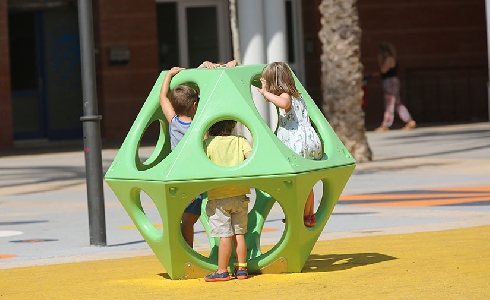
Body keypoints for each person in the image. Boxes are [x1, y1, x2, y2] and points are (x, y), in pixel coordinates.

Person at [257, 62, 323, 227]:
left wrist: (265, 92)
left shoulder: (286, 95)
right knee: (307, 181)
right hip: (309, 141)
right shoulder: (298, 94)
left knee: (296, 182)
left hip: (297, 143)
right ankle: (308, 215)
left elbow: (284, 104)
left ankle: (300, 213)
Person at [203, 120, 252, 282]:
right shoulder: (240, 141)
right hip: (240, 194)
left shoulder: (208, 144)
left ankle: (222, 271)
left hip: (218, 197)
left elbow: (200, 161)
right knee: (239, 233)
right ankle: (242, 269)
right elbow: (250, 158)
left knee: (224, 235)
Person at [159, 66, 202, 248]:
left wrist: (169, 74)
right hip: (198, 176)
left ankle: (188, 252)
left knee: (187, 222)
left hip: (181, 177)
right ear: (194, 106)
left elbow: (162, 97)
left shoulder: (173, 122)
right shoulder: (199, 124)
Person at [374, 42, 416, 132]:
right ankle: (409, 120)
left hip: (390, 82)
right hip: (391, 81)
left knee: (389, 103)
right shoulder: (391, 58)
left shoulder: (389, 59)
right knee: (397, 103)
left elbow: (383, 70)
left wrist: (380, 60)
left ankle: (386, 124)